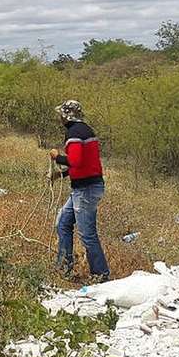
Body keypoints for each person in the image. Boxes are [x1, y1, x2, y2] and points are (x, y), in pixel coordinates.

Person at [49, 100, 110, 283]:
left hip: (85, 190)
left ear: (66, 116)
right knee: (62, 223)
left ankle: (101, 275)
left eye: (61, 114)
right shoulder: (85, 130)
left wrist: (56, 156)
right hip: (83, 187)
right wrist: (62, 175)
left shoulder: (74, 133)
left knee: (87, 234)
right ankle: (63, 267)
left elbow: (75, 160)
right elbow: (85, 163)